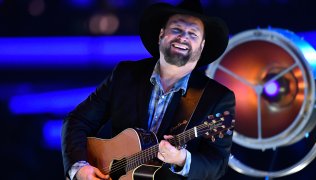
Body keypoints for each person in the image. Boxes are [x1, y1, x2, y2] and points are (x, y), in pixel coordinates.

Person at [61, 0, 236, 179]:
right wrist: (79, 168)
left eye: (193, 33)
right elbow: (78, 120)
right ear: (161, 34)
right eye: (176, 29)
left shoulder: (217, 98)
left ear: (202, 45)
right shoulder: (125, 74)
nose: (183, 37)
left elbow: (217, 164)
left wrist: (181, 159)